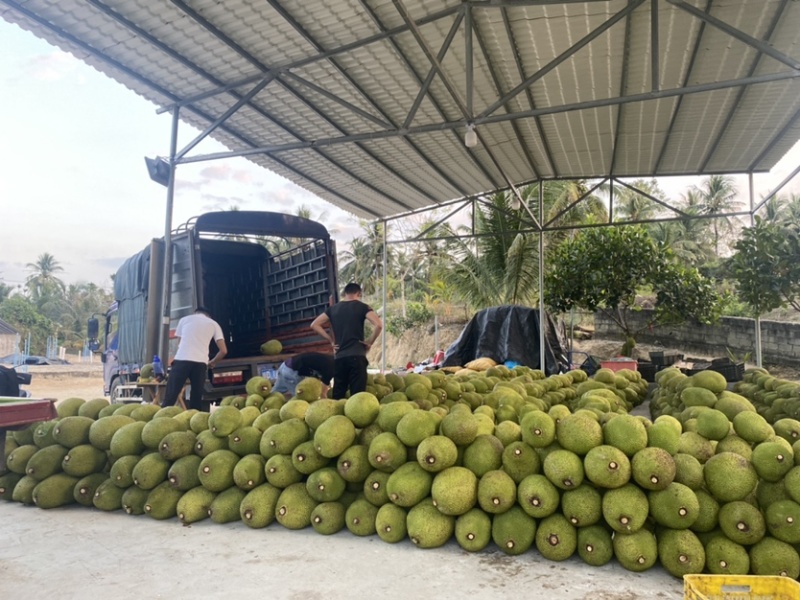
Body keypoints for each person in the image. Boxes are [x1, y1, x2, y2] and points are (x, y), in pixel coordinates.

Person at [310, 282, 383, 399]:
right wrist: (370, 342)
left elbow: (314, 324)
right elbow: (379, 325)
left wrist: (331, 340)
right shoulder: (362, 307)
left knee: (338, 395)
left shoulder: (332, 309)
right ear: (358, 293)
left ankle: (336, 416)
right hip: (357, 356)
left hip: (339, 358)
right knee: (357, 397)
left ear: (345, 293)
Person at [162, 307, 227, 411]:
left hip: (181, 360)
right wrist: (213, 362)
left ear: (195, 313)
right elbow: (223, 351)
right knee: (196, 398)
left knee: (171, 395)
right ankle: (194, 423)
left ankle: (162, 419)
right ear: (208, 315)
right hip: (200, 363)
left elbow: (179, 343)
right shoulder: (214, 324)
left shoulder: (184, 319)